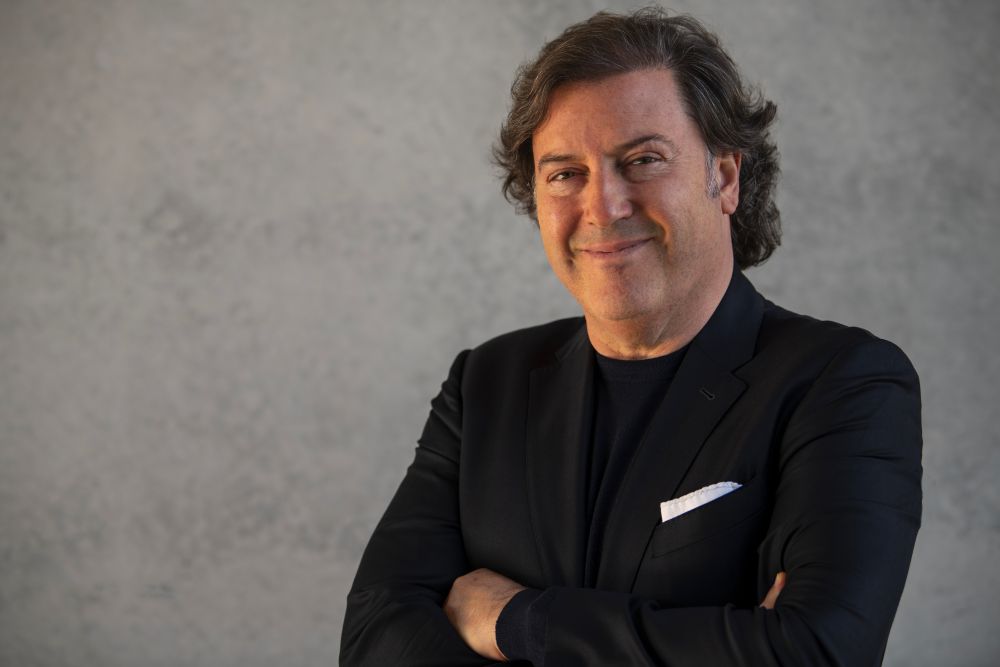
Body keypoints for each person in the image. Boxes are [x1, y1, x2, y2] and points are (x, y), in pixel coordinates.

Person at [340, 7, 921, 666]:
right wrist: (722, 640)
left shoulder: (843, 383)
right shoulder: (485, 384)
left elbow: (816, 653)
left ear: (726, 177)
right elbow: (371, 643)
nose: (603, 207)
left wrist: (518, 622)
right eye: (565, 173)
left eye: (643, 160)